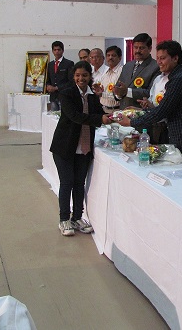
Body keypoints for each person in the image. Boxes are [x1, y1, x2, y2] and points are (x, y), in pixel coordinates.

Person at [50, 61, 112, 236]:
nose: (81, 79)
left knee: (79, 184)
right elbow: (75, 116)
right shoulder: (67, 93)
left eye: (84, 75)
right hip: (65, 146)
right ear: (73, 76)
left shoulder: (92, 95)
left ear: (90, 76)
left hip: (83, 147)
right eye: (77, 75)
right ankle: (64, 220)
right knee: (67, 183)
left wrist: (112, 116)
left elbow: (99, 113)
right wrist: (99, 119)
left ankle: (77, 217)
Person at [118, 40, 182, 166]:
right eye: (158, 58)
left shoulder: (179, 80)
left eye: (162, 58)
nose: (159, 62)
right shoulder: (172, 77)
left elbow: (162, 111)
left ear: (175, 58)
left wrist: (131, 122)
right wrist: (140, 111)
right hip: (177, 136)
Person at [113, 33, 160, 109]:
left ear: (150, 48)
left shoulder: (156, 67)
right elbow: (118, 87)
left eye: (141, 48)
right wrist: (118, 94)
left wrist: (127, 92)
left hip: (140, 112)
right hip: (123, 111)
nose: (137, 51)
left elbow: (151, 92)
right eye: (135, 47)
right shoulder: (127, 66)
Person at [93, 45, 123, 113]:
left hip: (116, 110)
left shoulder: (123, 72)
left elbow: (119, 94)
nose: (110, 57)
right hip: (102, 109)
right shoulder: (105, 73)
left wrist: (102, 94)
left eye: (113, 55)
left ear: (120, 58)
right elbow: (102, 91)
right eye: (108, 55)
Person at [46, 41, 74, 111]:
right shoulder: (50, 64)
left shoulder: (68, 63)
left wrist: (57, 88)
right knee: (53, 115)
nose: (57, 52)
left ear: (62, 51)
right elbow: (48, 79)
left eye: (59, 50)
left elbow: (71, 81)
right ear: (52, 51)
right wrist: (48, 86)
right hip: (53, 97)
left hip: (64, 96)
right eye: (55, 50)